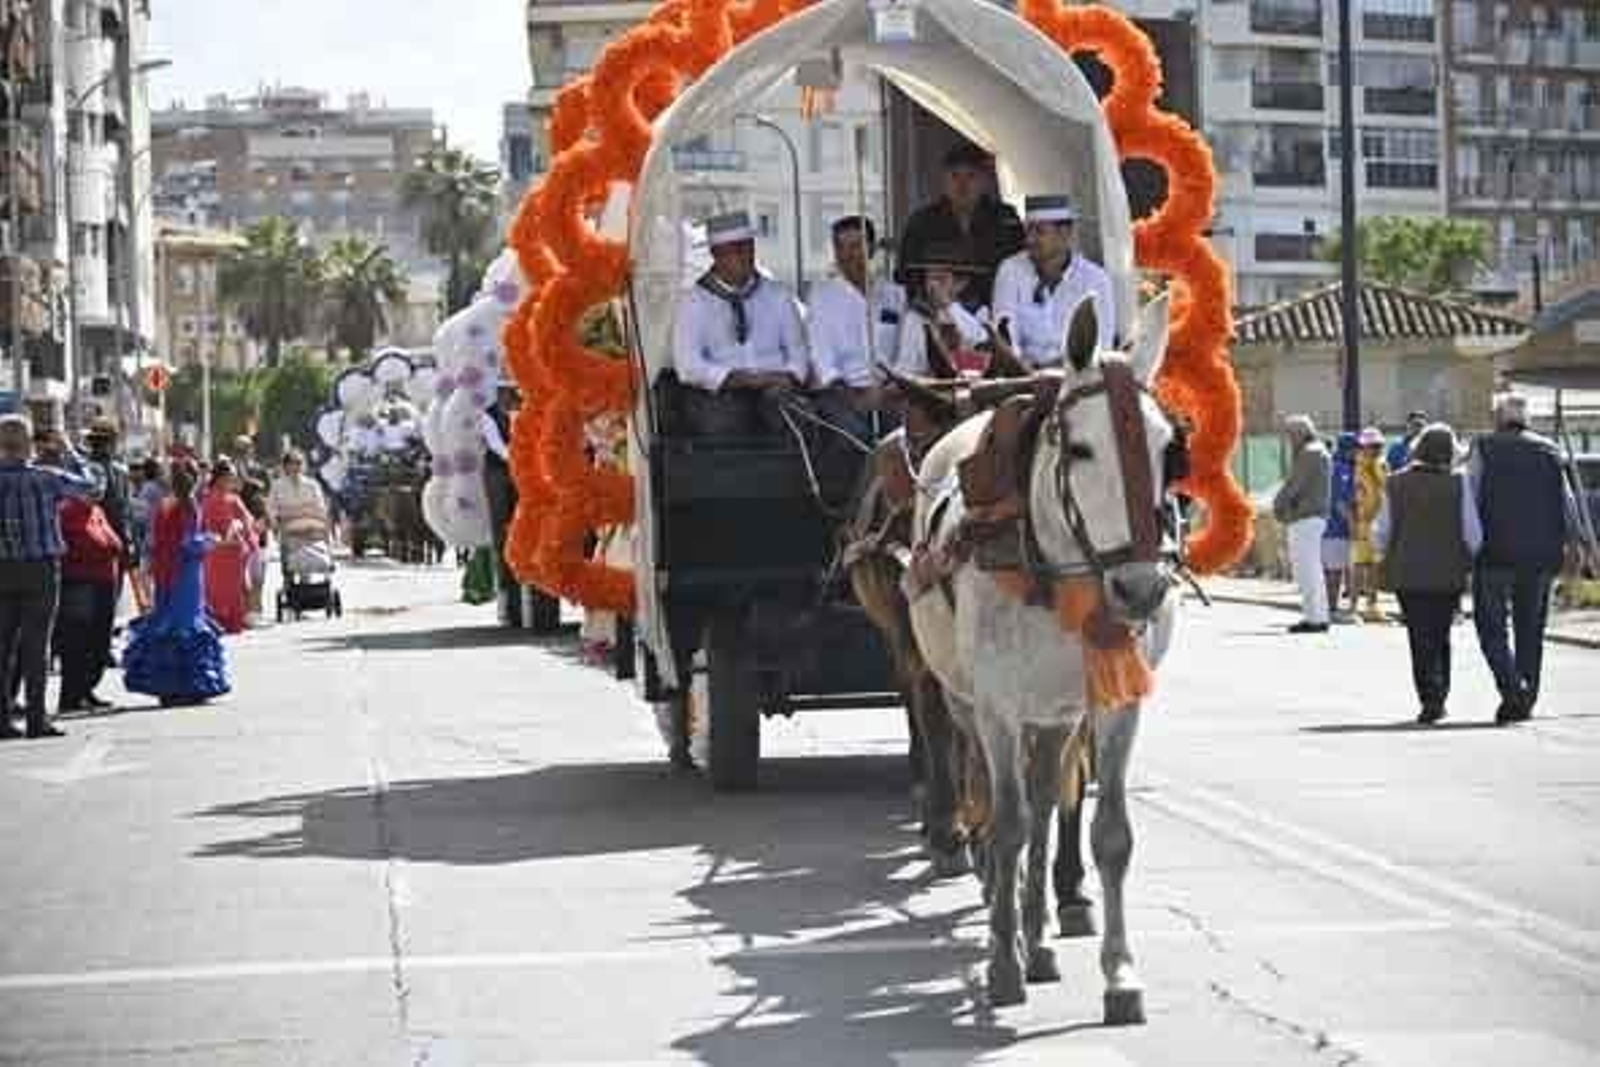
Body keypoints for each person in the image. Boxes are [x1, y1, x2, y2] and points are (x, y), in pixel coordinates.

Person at [1468, 393, 1587, 724]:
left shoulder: (1483, 447)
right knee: (1531, 630)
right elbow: (1567, 503)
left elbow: (1470, 497)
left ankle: (1512, 687)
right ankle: (1526, 696)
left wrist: (1469, 545)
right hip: (1540, 555)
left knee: (1491, 628)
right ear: (1526, 419)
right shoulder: (1550, 450)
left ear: (1498, 417)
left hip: (1495, 551)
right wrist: (1575, 545)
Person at [1374, 423, 1482, 725]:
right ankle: (1440, 694)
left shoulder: (1395, 483)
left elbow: (1382, 531)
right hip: (1447, 572)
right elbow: (1472, 532)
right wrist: (1471, 557)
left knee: (1418, 635)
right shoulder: (1458, 483)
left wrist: (1384, 553)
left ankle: (1429, 696)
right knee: (1440, 633)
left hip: (1407, 571)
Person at [671, 210, 810, 437]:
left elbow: (799, 351)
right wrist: (744, 379)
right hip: (722, 393)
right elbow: (688, 365)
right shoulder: (693, 301)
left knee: (800, 419)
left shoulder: (778, 295)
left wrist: (789, 377)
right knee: (726, 423)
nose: (746, 256)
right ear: (716, 254)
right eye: (736, 250)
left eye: (749, 247)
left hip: (776, 389)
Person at [0, 417, 97, 739]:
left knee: (3, 647)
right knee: (36, 644)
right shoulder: (46, 477)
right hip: (40, 568)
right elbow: (92, 489)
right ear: (29, 443)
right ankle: (36, 718)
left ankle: (2, 719)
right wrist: (69, 451)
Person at [123, 458, 230, 708]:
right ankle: (189, 685)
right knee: (187, 623)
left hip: (165, 572)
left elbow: (155, 541)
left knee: (168, 622)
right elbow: (189, 542)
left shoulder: (165, 504)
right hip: (186, 572)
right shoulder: (190, 504)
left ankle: (167, 685)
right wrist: (211, 541)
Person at [805, 215, 907, 437]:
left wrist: (886, 390)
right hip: (839, 391)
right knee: (856, 434)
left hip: (888, 390)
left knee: (907, 431)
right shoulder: (822, 296)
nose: (846, 255)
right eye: (839, 247)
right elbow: (821, 357)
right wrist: (854, 398)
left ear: (871, 249)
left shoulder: (895, 295)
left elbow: (904, 351)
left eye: (855, 246)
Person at [990, 194, 1118, 367]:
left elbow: (1101, 347)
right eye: (1028, 231)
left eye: (1039, 232)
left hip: (1078, 377)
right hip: (1024, 376)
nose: (1029, 240)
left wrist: (1057, 369)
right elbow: (1006, 341)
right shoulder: (1010, 270)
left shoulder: (1096, 280)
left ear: (1064, 234)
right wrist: (1029, 370)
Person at [896, 141, 1024, 310]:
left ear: (984, 181)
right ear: (943, 181)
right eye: (954, 176)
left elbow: (1022, 270)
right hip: (936, 313)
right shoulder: (922, 221)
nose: (962, 185)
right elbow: (905, 275)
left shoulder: (1005, 219)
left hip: (995, 311)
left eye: (971, 176)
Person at [56, 471, 124, 714]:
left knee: (98, 641)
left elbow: (113, 541)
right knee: (78, 641)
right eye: (92, 487)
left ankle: (85, 690)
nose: (98, 491)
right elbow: (76, 545)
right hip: (81, 581)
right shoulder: (67, 511)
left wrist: (112, 547)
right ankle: (71, 696)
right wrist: (104, 549)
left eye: (100, 487)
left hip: (103, 580)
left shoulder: (96, 510)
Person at [1272, 415, 1333, 634]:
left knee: (1306, 570)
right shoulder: (1318, 451)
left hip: (1304, 517)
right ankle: (1319, 616)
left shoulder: (1309, 454)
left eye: (1290, 435)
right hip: (1312, 517)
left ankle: (1313, 618)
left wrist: (1278, 505)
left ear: (1299, 434)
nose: (1289, 440)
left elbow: (1293, 485)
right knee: (1312, 569)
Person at [894, 244, 992, 377]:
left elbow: (981, 358)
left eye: (941, 279)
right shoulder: (915, 318)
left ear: (960, 283)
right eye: (929, 278)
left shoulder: (977, 314)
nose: (933, 285)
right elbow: (905, 368)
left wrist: (947, 309)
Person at [199, 458, 258, 635]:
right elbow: (209, 526)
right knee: (217, 589)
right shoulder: (209, 498)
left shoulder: (233, 498)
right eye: (230, 476)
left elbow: (247, 521)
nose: (233, 480)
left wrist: (243, 532)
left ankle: (234, 620)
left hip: (233, 551)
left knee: (234, 589)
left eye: (233, 476)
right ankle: (218, 621)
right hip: (218, 551)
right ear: (220, 478)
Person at [1349, 426, 1389, 622]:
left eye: (1379, 445)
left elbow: (1386, 489)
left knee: (1373, 567)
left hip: (1376, 521)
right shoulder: (1362, 466)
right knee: (1361, 566)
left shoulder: (1377, 465)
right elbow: (1355, 497)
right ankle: (1355, 607)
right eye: (1373, 446)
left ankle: (1371, 606)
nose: (1377, 449)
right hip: (1365, 522)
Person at [1323, 432, 1358, 619]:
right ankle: (1331, 609)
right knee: (1334, 572)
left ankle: (1330, 609)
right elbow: (1340, 502)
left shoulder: (1340, 466)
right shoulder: (1340, 468)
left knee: (1336, 571)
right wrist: (1353, 525)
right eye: (1356, 448)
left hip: (1333, 528)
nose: (1358, 452)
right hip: (1335, 529)